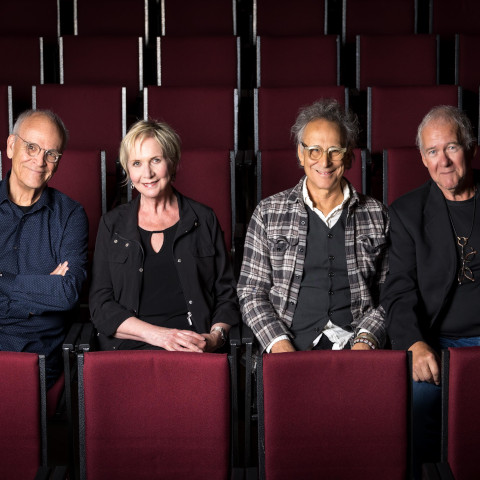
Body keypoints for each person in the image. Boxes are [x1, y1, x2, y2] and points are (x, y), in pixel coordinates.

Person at [237, 99, 389, 353]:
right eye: (315, 150)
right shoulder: (267, 212)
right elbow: (251, 291)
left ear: (349, 155)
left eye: (335, 151)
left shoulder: (377, 214)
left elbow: (392, 292)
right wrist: (278, 343)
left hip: (356, 343)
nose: (325, 161)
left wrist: (367, 338)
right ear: (301, 153)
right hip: (289, 342)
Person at [381, 105, 480, 477]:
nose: (444, 161)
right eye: (433, 151)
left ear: (470, 148)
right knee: (416, 406)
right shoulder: (407, 212)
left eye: (452, 147)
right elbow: (399, 291)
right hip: (438, 344)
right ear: (423, 159)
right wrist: (415, 343)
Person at [89, 119, 240, 352]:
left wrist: (214, 338)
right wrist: (160, 336)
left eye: (155, 160)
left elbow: (226, 295)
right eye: (137, 163)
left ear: (172, 162)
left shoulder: (203, 218)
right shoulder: (112, 225)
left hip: (193, 346)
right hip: (128, 349)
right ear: (127, 170)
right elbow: (100, 306)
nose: (147, 173)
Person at [0, 109, 88, 388]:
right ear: (11, 146)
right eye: (31, 147)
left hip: (35, 356)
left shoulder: (71, 215)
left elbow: (67, 293)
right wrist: (42, 287)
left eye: (52, 153)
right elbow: (54, 290)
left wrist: (3, 282)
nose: (40, 160)